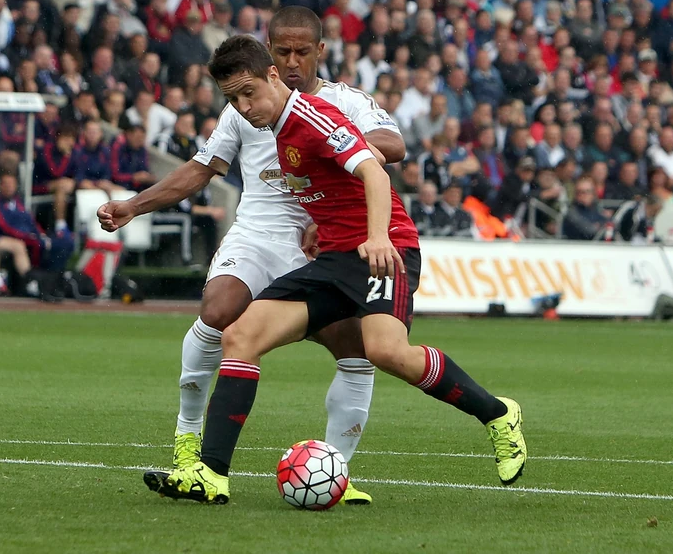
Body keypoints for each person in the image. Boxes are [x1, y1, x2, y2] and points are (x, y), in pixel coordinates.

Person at [141, 35, 526, 504]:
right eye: (233, 99)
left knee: (386, 352)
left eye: (249, 93)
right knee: (239, 336)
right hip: (334, 258)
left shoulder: (312, 117)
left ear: (273, 76)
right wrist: (317, 225)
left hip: (386, 248)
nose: (244, 107)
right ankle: (211, 474)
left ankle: (498, 413)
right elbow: (325, 188)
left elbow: (374, 171)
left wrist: (377, 236)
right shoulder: (276, 128)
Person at [98, 7, 409, 506]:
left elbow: (393, 144)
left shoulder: (344, 102)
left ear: (320, 51)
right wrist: (134, 206)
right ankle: (187, 441)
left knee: (356, 349)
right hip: (259, 235)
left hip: (320, 244)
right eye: (282, 51)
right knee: (218, 310)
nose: (292, 61)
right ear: (268, 54)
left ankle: (336, 470)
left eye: (301, 52)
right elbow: (201, 168)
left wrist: (339, 145)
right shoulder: (244, 104)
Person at [0, 174, 74, 271]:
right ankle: (32, 275)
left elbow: (31, 221)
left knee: (65, 242)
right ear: (0, 186)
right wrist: (25, 236)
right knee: (38, 245)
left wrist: (41, 234)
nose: (9, 187)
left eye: (11, 184)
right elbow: (3, 226)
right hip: (12, 238)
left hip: (31, 236)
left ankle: (57, 274)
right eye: (6, 184)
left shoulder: (18, 202)